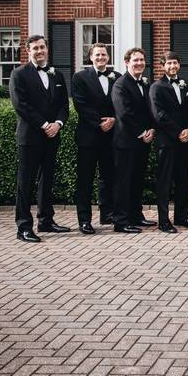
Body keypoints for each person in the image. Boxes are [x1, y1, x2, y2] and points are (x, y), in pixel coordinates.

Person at [10, 34, 70, 242]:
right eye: (35, 48)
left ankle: (46, 221)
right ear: (28, 50)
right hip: (30, 136)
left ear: (47, 49)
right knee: (25, 182)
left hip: (52, 135)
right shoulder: (19, 74)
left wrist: (58, 124)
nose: (40, 51)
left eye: (42, 47)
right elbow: (21, 105)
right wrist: (45, 125)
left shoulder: (57, 75)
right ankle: (24, 227)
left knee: (47, 179)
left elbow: (64, 105)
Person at [70, 42, 117, 234]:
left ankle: (107, 214)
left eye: (104, 55)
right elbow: (80, 105)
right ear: (90, 57)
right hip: (89, 136)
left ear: (108, 57)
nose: (100, 58)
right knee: (85, 179)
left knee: (109, 177)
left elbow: (122, 102)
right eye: (97, 55)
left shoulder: (117, 77)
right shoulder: (80, 77)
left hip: (112, 136)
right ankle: (84, 220)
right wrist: (99, 122)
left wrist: (114, 119)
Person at [110, 47, 156, 234]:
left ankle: (136, 215)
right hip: (126, 142)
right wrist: (142, 132)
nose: (139, 63)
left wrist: (152, 129)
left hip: (143, 141)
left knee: (137, 180)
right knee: (123, 182)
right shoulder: (121, 84)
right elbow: (124, 113)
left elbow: (150, 110)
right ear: (127, 62)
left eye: (141, 60)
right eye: (135, 60)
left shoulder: (145, 83)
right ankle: (121, 221)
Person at [149, 51, 188, 233]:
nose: (172, 66)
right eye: (169, 63)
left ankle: (182, 216)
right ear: (163, 66)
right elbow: (159, 115)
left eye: (175, 63)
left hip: (185, 140)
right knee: (165, 181)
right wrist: (178, 132)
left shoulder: (186, 85)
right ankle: (163, 220)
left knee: (182, 180)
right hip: (166, 140)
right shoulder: (156, 87)